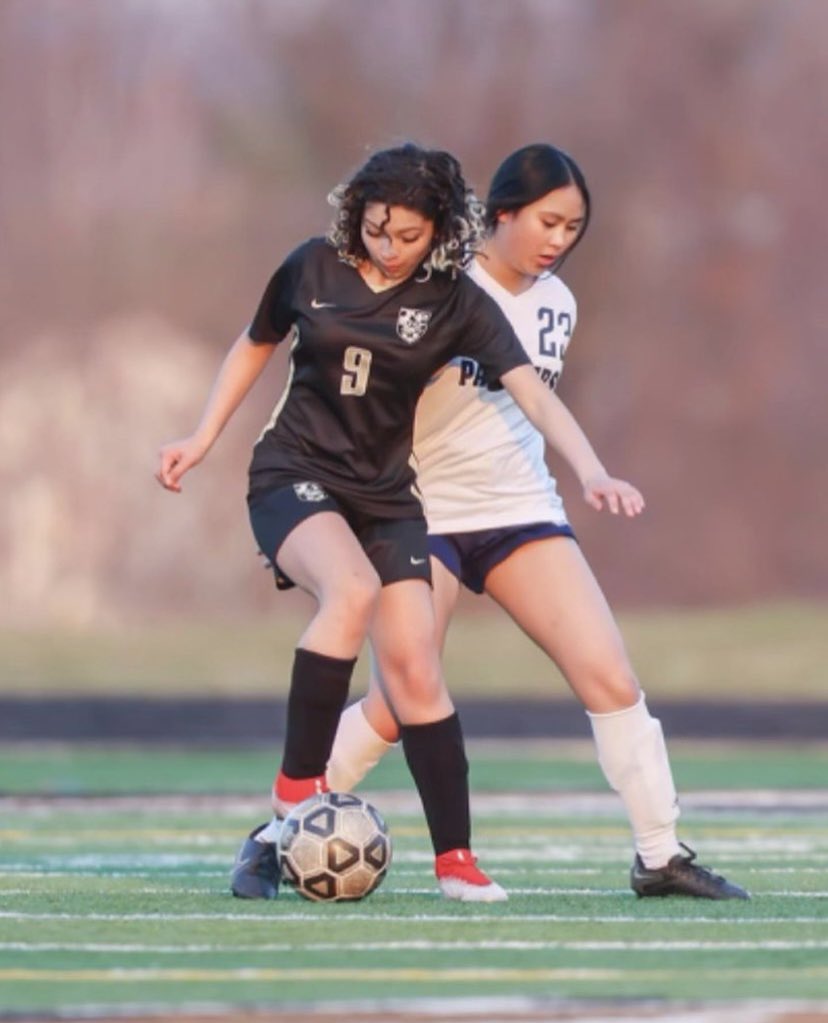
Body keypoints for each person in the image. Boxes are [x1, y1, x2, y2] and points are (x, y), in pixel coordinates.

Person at [155, 143, 644, 904]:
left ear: (440, 231)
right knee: (349, 591)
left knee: (415, 669)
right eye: (376, 228)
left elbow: (534, 395)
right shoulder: (312, 266)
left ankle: (457, 862)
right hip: (294, 474)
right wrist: (201, 436)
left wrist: (592, 470)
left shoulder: (457, 302)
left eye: (407, 236)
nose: (387, 247)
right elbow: (254, 345)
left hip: (386, 495)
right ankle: (294, 794)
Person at [324, 143, 749, 901]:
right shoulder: (436, 287)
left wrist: (592, 473)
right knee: (394, 702)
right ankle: (282, 829)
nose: (559, 240)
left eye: (573, 228)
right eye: (548, 221)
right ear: (502, 214)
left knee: (610, 676)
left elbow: (538, 404)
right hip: (422, 512)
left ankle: (660, 854)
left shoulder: (559, 303)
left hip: (519, 509)